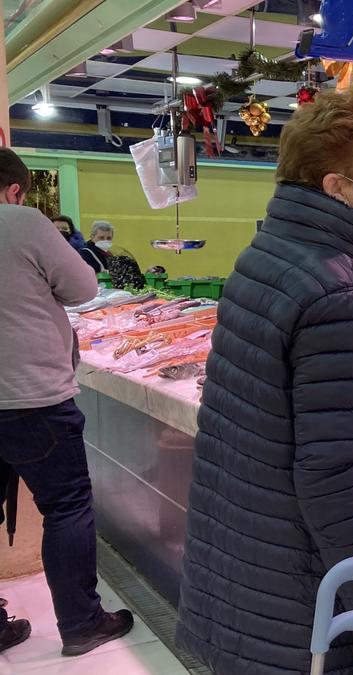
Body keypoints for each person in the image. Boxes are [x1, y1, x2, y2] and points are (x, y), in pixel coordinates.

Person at [176, 91, 353, 675]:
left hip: (255, 573)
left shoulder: (270, 253)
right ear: (337, 188)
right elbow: (343, 474)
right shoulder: (345, 293)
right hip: (311, 599)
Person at [0, 148, 135, 656]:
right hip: (31, 396)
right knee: (66, 508)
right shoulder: (23, 222)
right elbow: (82, 287)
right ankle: (82, 623)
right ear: (16, 189)